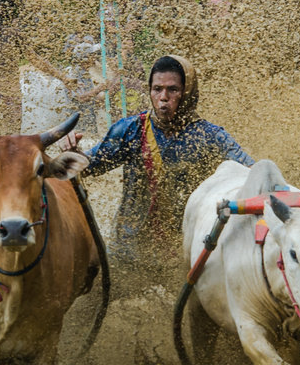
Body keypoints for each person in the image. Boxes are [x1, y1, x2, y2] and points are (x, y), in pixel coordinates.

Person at [58, 55, 254, 262]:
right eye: (157, 89)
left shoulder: (209, 136)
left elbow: (249, 171)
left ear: (187, 93)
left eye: (173, 90)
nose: (163, 97)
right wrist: (73, 152)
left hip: (183, 252)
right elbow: (87, 166)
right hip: (128, 249)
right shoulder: (130, 129)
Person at [0, 0, 66, 134]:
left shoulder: (13, 35)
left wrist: (63, 77)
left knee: (13, 135)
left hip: (12, 92)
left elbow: (35, 59)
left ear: (0, 10)